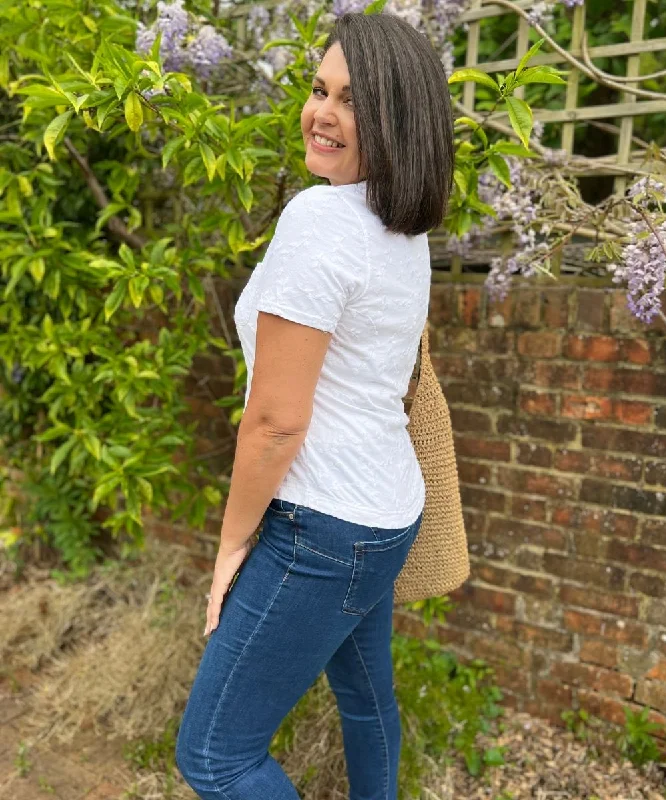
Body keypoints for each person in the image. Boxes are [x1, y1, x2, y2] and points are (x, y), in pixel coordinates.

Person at [175, 10, 454, 800]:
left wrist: (232, 547)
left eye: (351, 100)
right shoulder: (399, 228)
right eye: (317, 89)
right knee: (368, 704)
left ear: (398, 119)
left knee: (215, 757)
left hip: (321, 527)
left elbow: (274, 421)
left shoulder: (322, 220)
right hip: (385, 515)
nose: (321, 113)